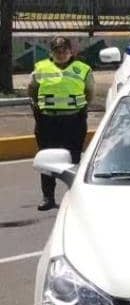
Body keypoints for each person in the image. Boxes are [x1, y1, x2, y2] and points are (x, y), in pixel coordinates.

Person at [29, 37, 93, 211]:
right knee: (47, 159)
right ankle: (48, 197)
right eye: (57, 50)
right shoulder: (41, 68)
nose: (61, 53)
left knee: (74, 159)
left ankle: (75, 198)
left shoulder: (83, 69)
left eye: (64, 50)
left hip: (73, 120)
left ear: (71, 52)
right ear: (51, 53)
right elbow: (32, 90)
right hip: (47, 120)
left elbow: (89, 92)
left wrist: (79, 109)